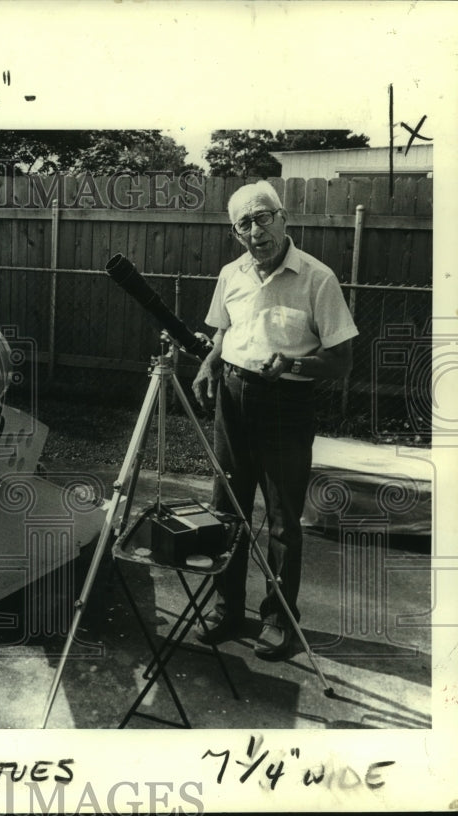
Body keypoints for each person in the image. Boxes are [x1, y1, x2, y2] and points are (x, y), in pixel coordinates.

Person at [192, 180, 358, 660]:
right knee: (227, 510)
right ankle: (228, 610)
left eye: (263, 217)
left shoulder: (317, 278)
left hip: (286, 404)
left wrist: (294, 364)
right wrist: (208, 364)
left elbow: (342, 360)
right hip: (232, 398)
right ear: (234, 232)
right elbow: (225, 330)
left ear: (283, 217)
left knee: (283, 519)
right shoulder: (231, 274)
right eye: (243, 222)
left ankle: (279, 621)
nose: (255, 230)